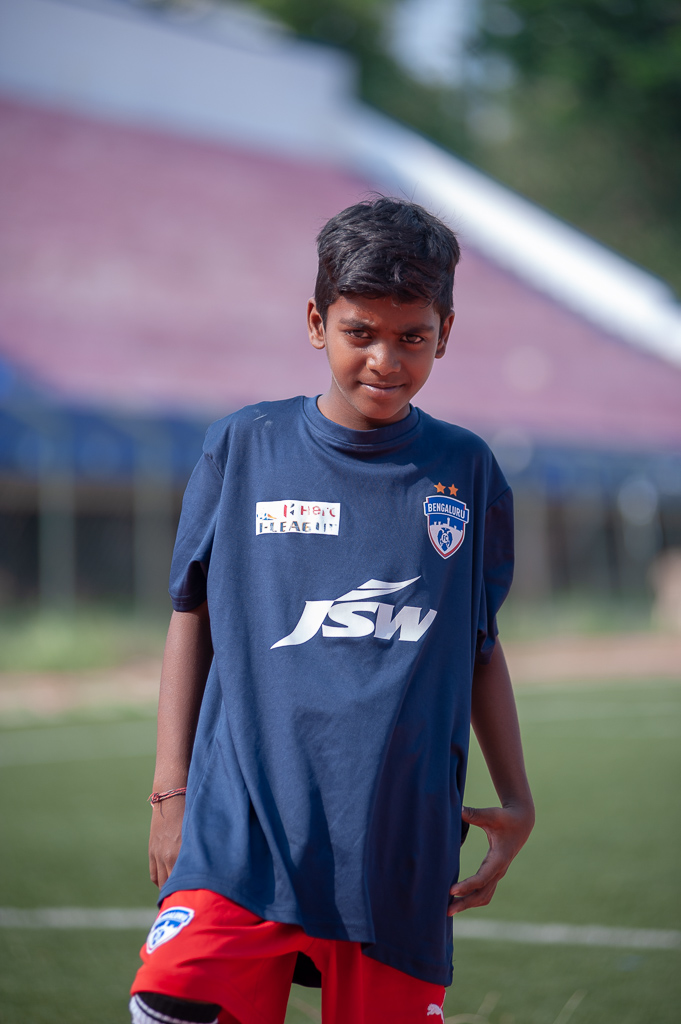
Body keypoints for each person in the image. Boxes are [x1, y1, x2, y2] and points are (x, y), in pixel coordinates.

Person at [129, 197, 535, 1024]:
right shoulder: (243, 447)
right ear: (317, 323)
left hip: (397, 843)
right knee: (170, 1006)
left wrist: (517, 799)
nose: (386, 359)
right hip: (238, 828)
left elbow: (479, 648)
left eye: (412, 337)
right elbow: (190, 618)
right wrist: (170, 795)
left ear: (444, 333)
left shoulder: (466, 468)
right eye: (360, 333)